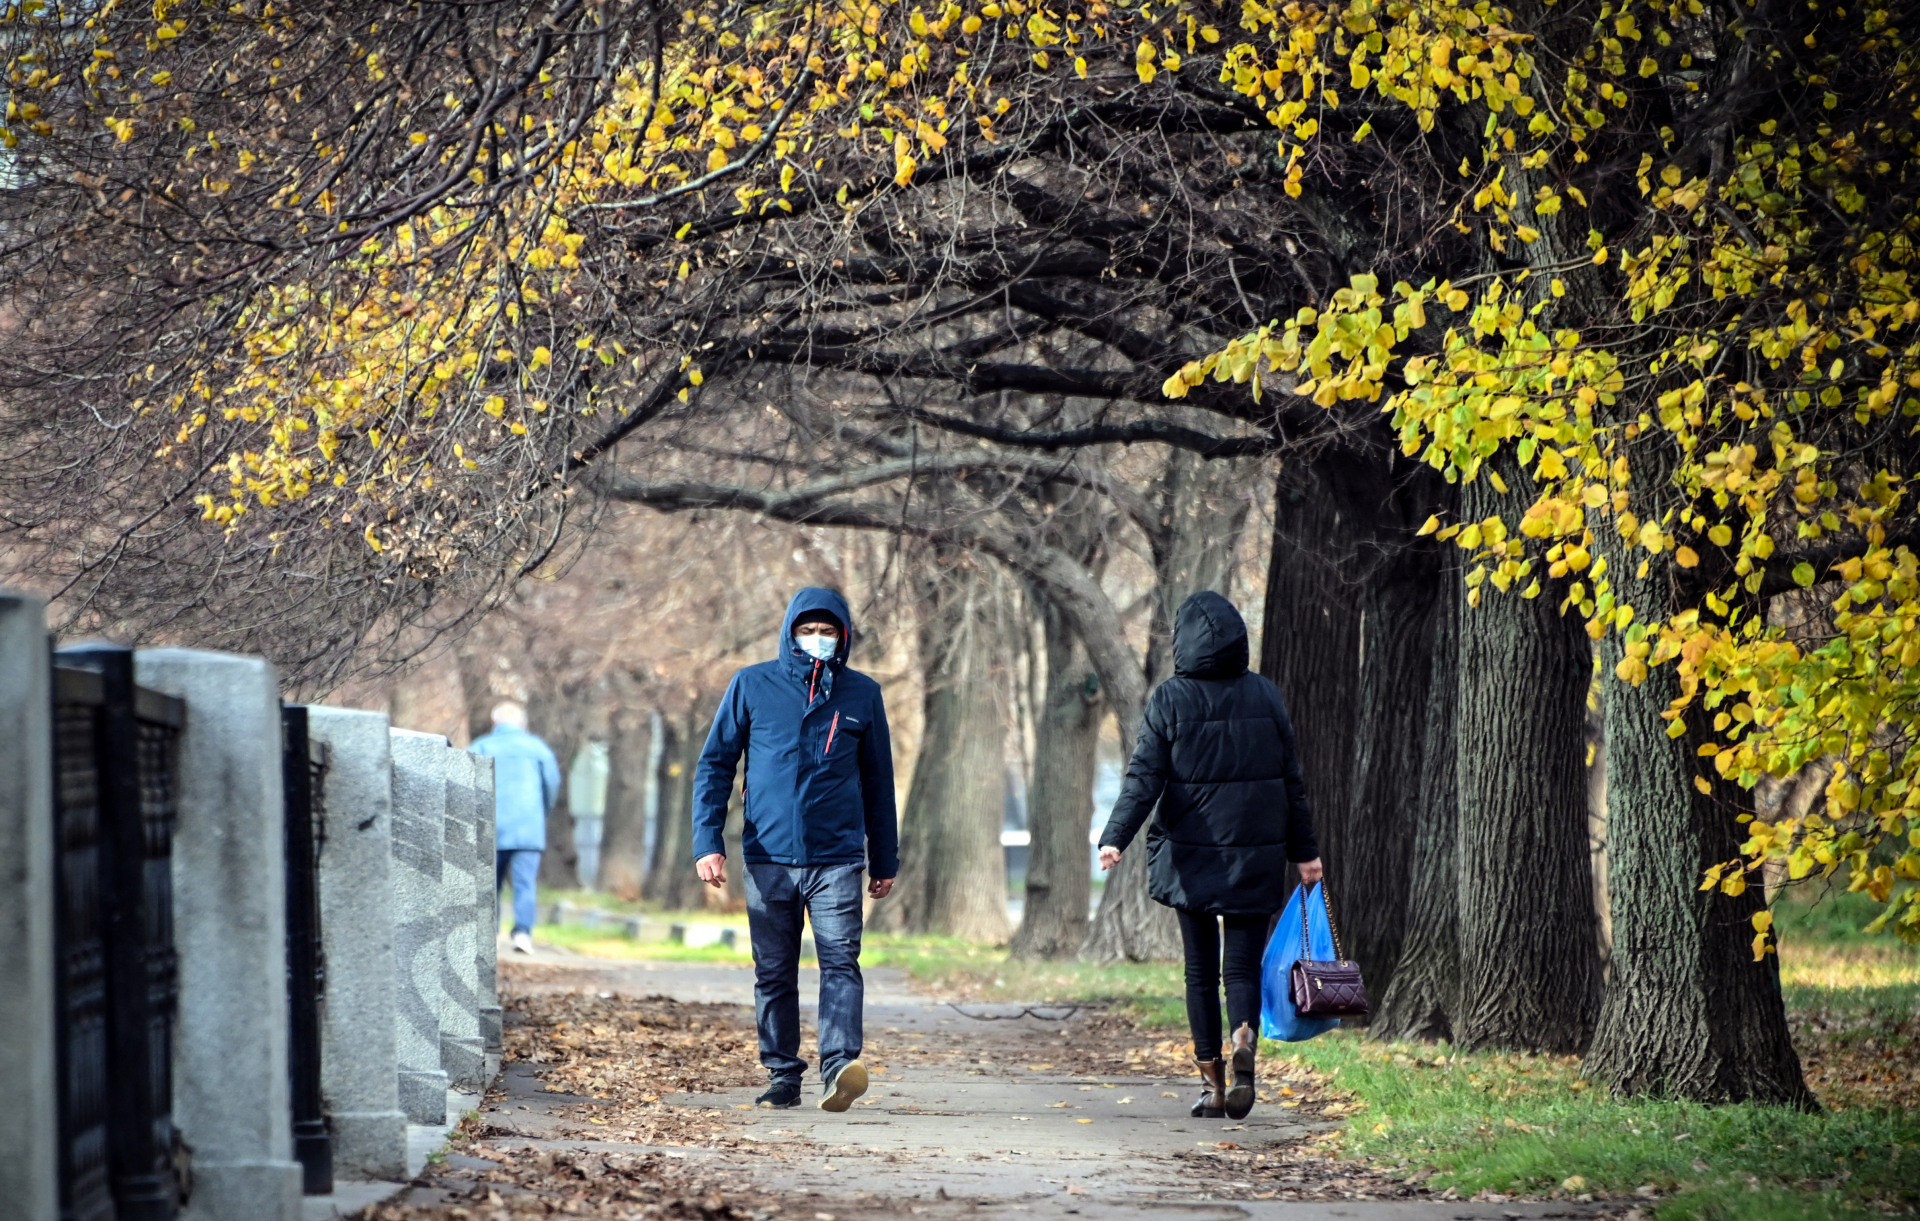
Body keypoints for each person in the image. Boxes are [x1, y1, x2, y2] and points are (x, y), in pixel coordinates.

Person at [1096, 591, 1323, 1122]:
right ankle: (1244, 1036)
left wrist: (1115, 837)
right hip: (1256, 852)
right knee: (1240, 966)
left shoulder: (1170, 699)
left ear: (1184, 644)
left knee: (1199, 972)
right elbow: (1293, 783)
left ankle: (1212, 1086)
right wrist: (1306, 853)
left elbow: (1144, 777)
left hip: (1189, 855)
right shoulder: (1266, 695)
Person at [693, 588, 899, 1113]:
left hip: (838, 856)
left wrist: (885, 858)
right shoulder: (751, 684)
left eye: (829, 631)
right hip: (767, 856)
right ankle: (783, 1075)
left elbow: (879, 780)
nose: (818, 639)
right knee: (775, 970)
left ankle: (838, 1067)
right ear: (790, 632)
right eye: (808, 630)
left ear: (844, 636)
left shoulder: (862, 694)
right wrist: (707, 842)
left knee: (840, 962)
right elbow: (715, 765)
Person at [471, 700, 562, 956]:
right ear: (522, 723)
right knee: (525, 884)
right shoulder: (537, 749)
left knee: (489, 884)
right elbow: (551, 785)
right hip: (528, 829)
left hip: (489, 828)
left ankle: (488, 936)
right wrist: (541, 812)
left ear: (495, 723)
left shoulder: (481, 746)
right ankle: (522, 933)